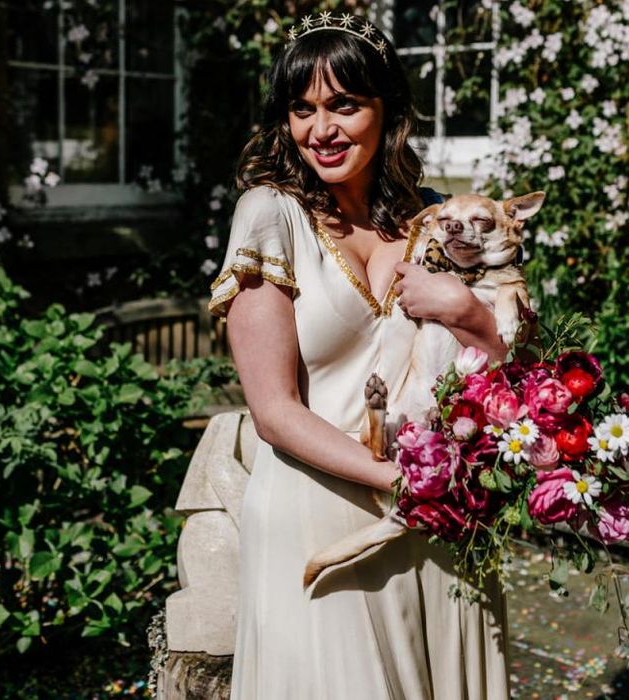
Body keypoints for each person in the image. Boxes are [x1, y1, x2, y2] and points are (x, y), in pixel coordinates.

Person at [209, 12, 510, 699]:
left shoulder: (438, 220)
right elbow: (275, 412)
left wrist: (467, 313)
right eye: (303, 109)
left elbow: (500, 374)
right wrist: (406, 483)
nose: (321, 131)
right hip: (319, 516)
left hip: (440, 526)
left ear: (389, 111)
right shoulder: (270, 214)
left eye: (344, 104)